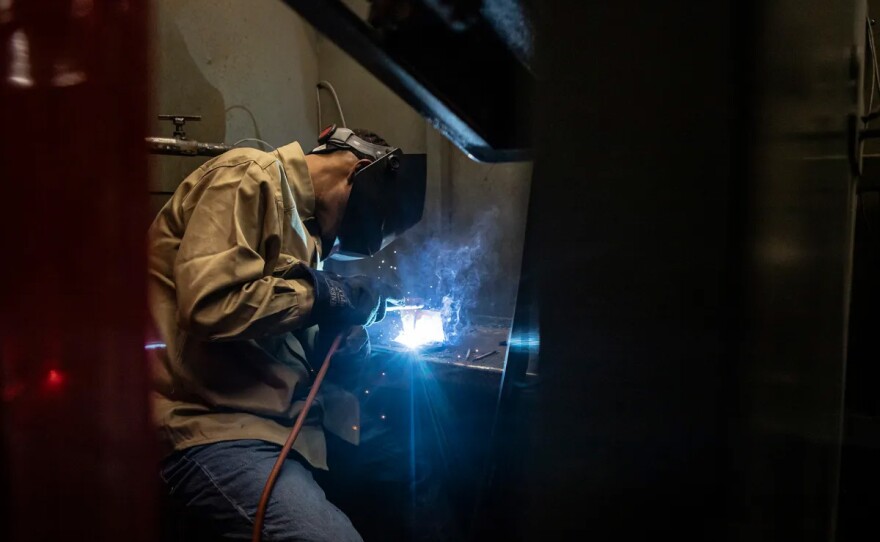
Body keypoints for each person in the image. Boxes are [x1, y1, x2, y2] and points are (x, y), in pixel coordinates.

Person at [148, 126, 426, 541]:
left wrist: (343, 343)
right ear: (359, 171)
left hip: (286, 425)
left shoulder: (308, 233)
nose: (338, 244)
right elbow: (209, 305)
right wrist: (326, 294)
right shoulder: (247, 175)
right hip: (214, 429)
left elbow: (282, 338)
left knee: (412, 471)